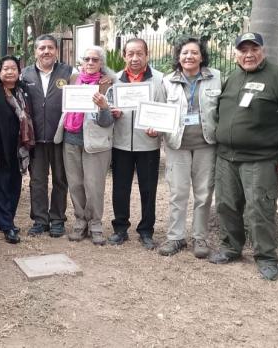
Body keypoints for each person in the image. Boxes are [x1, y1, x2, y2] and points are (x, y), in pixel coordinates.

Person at [208, 32, 278, 281]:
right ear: (236, 53)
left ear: (263, 50)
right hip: (227, 156)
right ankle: (231, 247)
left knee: (259, 209)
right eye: (243, 50)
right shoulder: (233, 77)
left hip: (261, 158)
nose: (248, 54)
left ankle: (266, 258)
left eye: (254, 49)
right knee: (226, 205)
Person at [156, 37, 222, 258]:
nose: (189, 57)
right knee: (178, 193)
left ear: (202, 56)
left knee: (203, 194)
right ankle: (175, 237)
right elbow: (159, 110)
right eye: (184, 53)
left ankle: (199, 237)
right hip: (178, 145)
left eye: (194, 53)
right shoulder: (167, 81)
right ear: (178, 57)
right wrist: (155, 126)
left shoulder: (216, 78)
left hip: (206, 144)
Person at [107, 38, 164, 250]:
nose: (134, 58)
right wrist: (112, 111)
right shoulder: (114, 80)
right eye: (130, 54)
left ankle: (146, 230)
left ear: (147, 55)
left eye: (139, 53)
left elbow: (165, 109)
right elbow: (106, 104)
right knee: (120, 188)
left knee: (148, 189)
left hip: (148, 143)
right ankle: (120, 228)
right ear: (124, 56)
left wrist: (158, 126)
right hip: (121, 143)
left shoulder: (159, 79)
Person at [56, 46, 115, 245]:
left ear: (101, 63)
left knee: (94, 185)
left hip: (96, 143)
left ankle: (96, 223)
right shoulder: (73, 81)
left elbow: (108, 122)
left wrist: (104, 106)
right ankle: (80, 220)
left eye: (95, 59)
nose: (90, 63)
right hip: (71, 140)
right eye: (87, 59)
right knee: (75, 184)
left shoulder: (109, 85)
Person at [21, 35, 73, 237]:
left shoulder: (68, 73)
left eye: (50, 47)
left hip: (60, 137)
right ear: (35, 51)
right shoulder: (25, 75)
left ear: (56, 51)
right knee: (38, 181)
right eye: (42, 48)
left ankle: (58, 219)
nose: (46, 51)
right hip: (35, 139)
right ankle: (40, 220)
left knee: (61, 179)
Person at [0, 55, 34, 244]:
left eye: (14, 68)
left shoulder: (24, 90)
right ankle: (6, 225)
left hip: (19, 149)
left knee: (14, 186)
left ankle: (8, 220)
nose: (10, 71)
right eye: (6, 68)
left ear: (19, 72)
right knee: (0, 187)